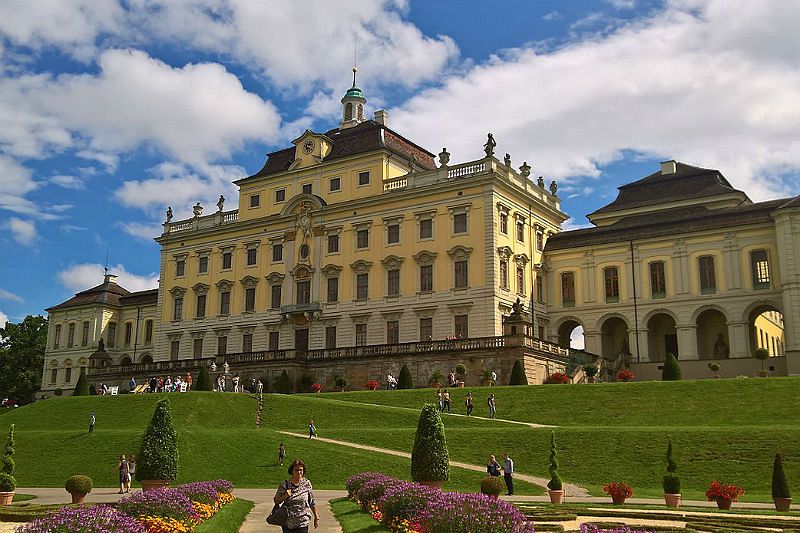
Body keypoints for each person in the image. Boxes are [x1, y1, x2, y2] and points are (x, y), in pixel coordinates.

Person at [273, 459, 319, 532]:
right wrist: (285, 496)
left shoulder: (307, 483)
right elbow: (276, 501)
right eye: (296, 470)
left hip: (303, 523)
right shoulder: (285, 484)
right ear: (292, 471)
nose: (299, 472)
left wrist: (316, 517)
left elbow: (312, 501)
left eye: (301, 470)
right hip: (288, 523)